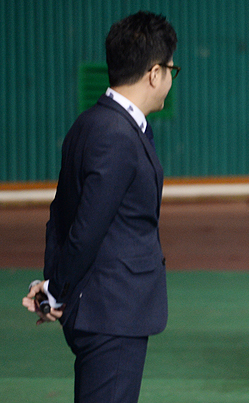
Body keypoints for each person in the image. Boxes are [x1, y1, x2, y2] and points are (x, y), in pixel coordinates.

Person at [22, 11, 178, 403]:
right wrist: (56, 291)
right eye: (172, 69)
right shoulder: (118, 135)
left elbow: (60, 215)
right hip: (112, 313)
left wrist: (53, 288)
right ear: (154, 73)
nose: (170, 79)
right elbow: (86, 228)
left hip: (100, 309)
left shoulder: (89, 122)